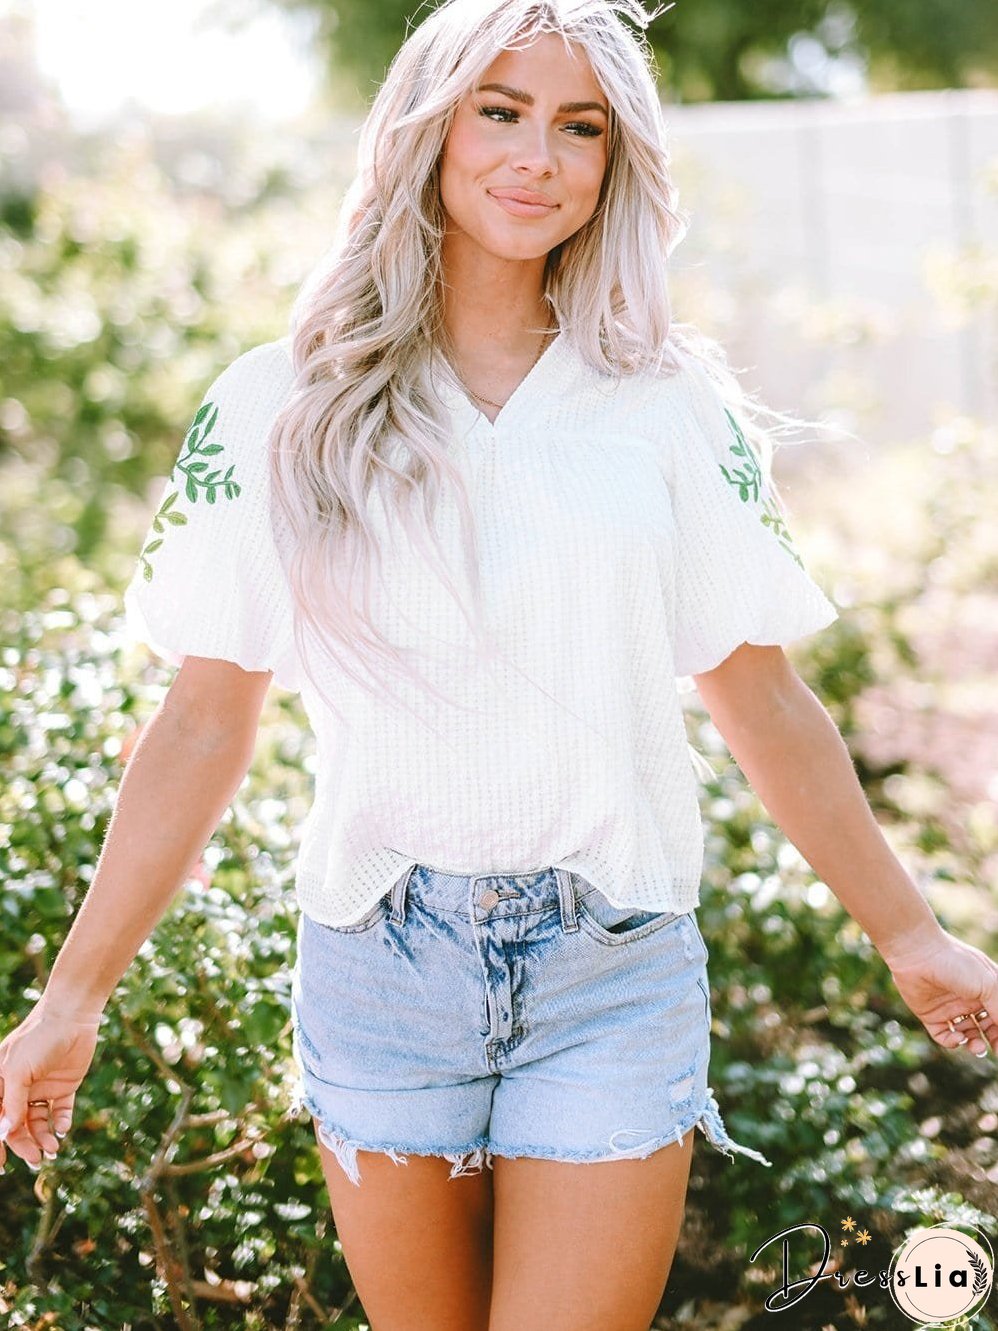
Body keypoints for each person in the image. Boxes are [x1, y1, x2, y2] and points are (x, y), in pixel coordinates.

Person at [2, 1, 995, 1327]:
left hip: (612, 963)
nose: (538, 155)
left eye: (579, 127)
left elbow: (757, 693)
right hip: (379, 959)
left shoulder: (662, 406)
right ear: (427, 125)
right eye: (501, 111)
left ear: (613, 165)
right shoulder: (280, 400)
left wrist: (913, 936)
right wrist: (71, 1003)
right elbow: (201, 719)